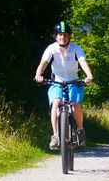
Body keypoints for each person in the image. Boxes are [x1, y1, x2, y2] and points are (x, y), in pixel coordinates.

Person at [34, 21, 94, 150]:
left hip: (74, 82)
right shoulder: (51, 49)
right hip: (57, 82)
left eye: (65, 34)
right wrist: (38, 75)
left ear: (69, 36)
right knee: (56, 103)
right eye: (60, 35)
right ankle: (55, 136)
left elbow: (83, 62)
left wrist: (89, 76)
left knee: (75, 105)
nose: (63, 37)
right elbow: (43, 63)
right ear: (56, 36)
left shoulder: (76, 48)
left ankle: (80, 130)